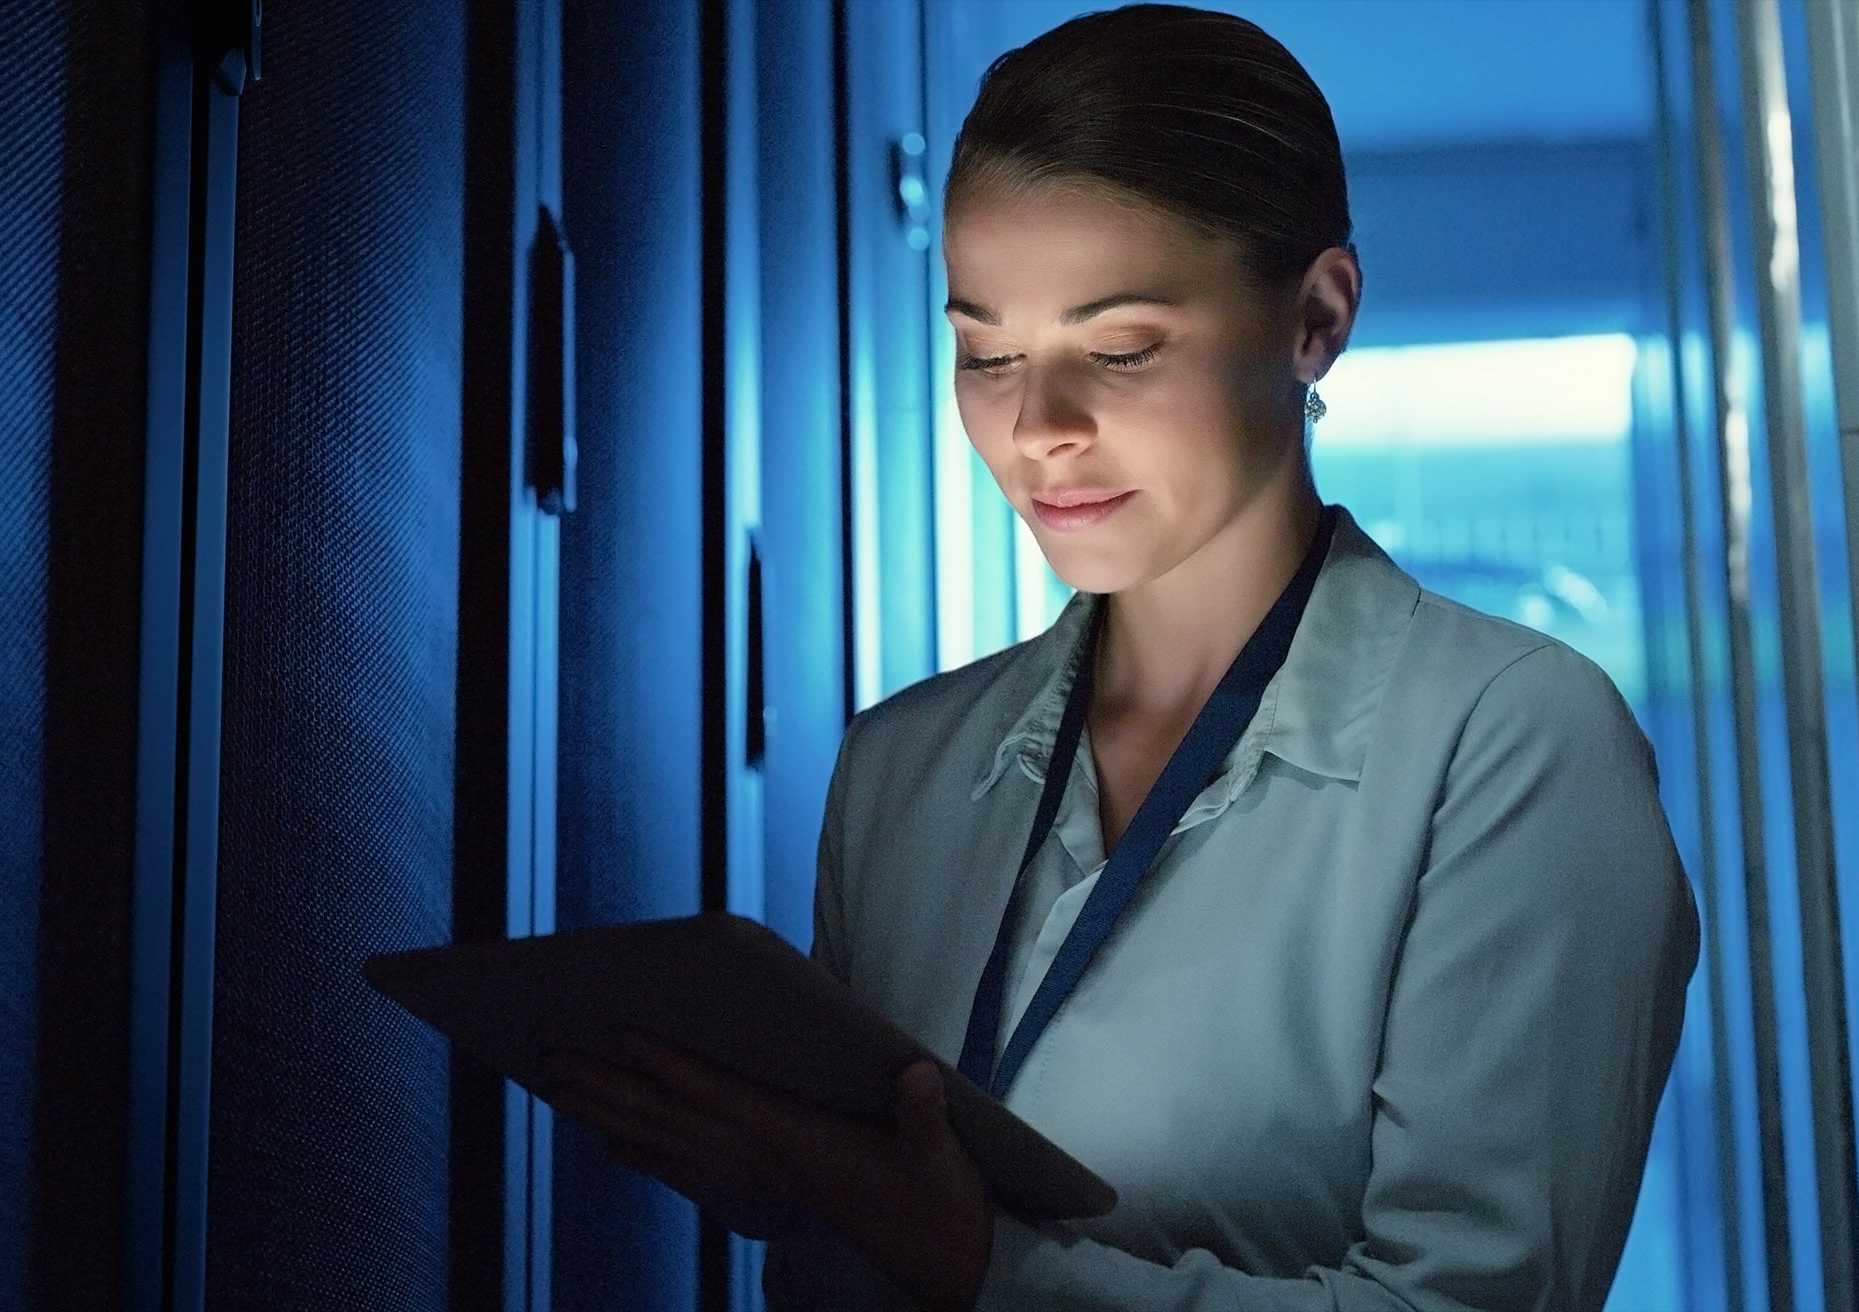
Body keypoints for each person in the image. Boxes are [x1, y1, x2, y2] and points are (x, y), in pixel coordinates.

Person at [519, 5, 1701, 1309]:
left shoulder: (1514, 744)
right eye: (989, 354)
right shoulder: (900, 767)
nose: (1040, 430)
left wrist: (970, 1259)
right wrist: (789, 1172)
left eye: (1122, 349)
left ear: (1316, 319)